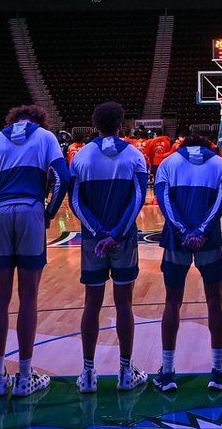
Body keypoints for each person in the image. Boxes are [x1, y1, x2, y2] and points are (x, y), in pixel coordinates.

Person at [0, 104, 68, 398]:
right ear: (38, 120)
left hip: (1, 212)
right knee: (28, 296)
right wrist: (49, 213)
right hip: (30, 210)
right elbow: (62, 178)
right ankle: (24, 376)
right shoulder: (45, 137)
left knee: (0, 297)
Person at [68, 101, 148, 394]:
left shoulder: (80, 156)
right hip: (123, 238)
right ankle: (125, 372)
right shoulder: (134, 155)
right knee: (124, 304)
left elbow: (75, 201)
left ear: (94, 124)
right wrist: (116, 233)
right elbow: (138, 198)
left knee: (92, 303)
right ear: (121, 124)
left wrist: (99, 232)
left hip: (93, 241)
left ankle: (88, 373)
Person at [151, 134, 222, 393]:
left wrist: (182, 231)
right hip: (209, 241)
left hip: (176, 241)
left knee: (172, 302)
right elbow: (221, 202)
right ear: (208, 146)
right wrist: (201, 230)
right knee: (215, 301)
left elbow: (164, 201)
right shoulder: (219, 164)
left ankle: (167, 372)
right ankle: (218, 370)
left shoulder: (168, 163)